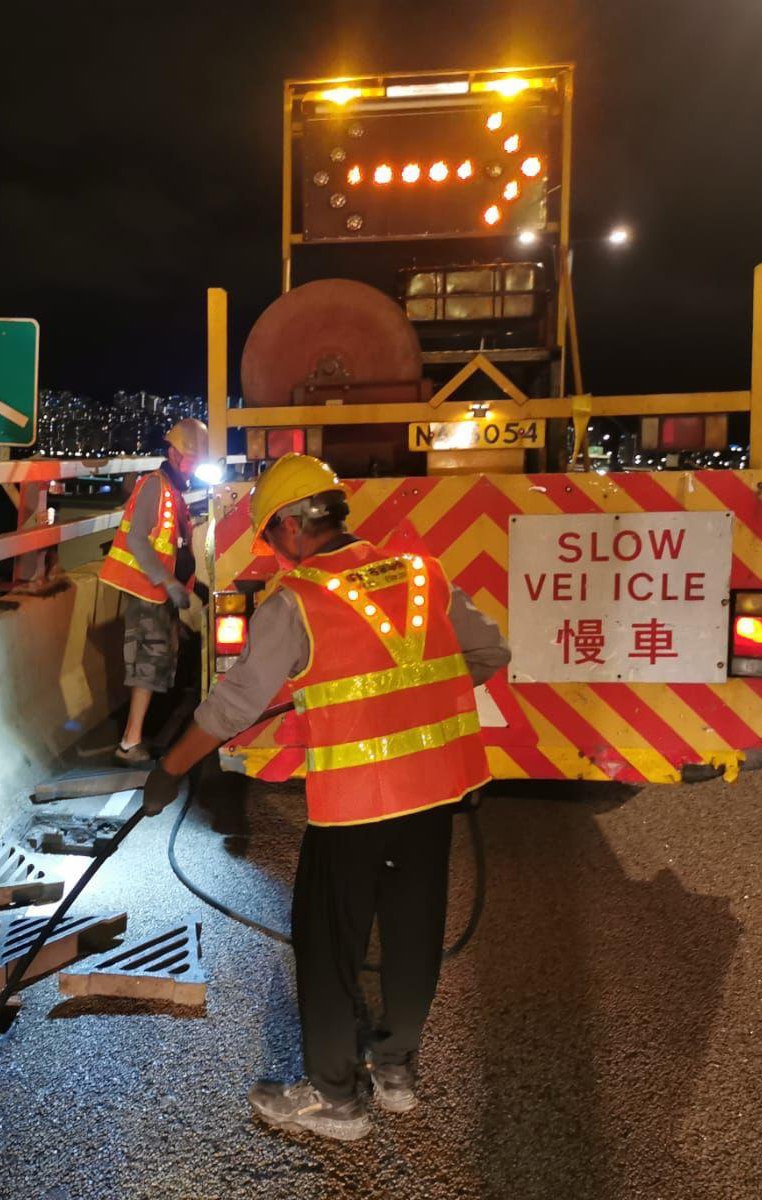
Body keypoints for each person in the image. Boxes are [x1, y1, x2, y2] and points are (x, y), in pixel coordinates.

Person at [142, 453, 510, 1141]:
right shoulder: (422, 573)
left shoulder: (297, 600)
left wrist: (169, 770)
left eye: (270, 537)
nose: (275, 553)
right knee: (413, 936)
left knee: (329, 946)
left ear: (290, 526)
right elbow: (490, 653)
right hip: (434, 794)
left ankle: (336, 1098)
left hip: (356, 805)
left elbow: (232, 707)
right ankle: (395, 1073)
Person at [99, 417, 208, 765]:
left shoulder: (173, 491)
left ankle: (138, 735)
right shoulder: (154, 486)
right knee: (147, 665)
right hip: (148, 592)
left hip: (159, 594)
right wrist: (169, 582)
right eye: (190, 458)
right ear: (174, 453)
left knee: (159, 661)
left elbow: (173, 547)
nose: (193, 466)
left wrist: (193, 586)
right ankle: (130, 743)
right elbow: (137, 540)